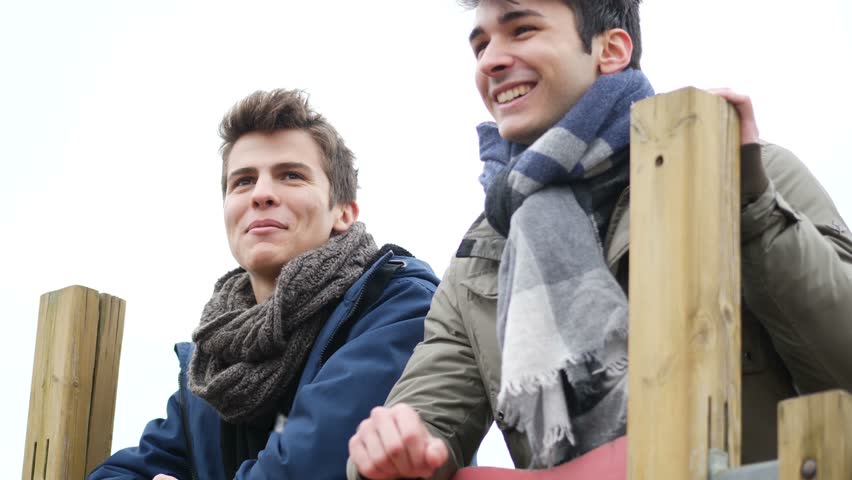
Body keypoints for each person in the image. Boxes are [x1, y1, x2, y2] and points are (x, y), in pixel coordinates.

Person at [347, 1, 852, 478]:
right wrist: (394, 447)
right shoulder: (481, 256)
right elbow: (422, 420)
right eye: (481, 45)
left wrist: (752, 208)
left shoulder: (749, 173)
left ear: (611, 50)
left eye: (522, 30)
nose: (493, 61)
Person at [87, 88, 439, 480]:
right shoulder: (213, 366)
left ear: (344, 212)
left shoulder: (398, 306)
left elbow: (306, 466)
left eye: (291, 175)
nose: (262, 194)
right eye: (243, 181)